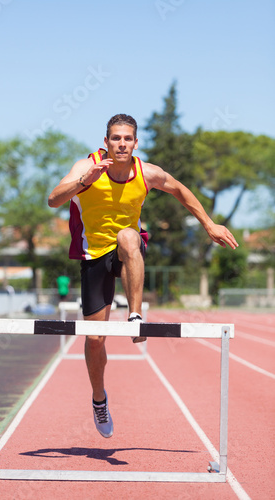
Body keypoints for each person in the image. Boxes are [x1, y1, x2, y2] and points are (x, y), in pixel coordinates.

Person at [48, 113, 238, 439]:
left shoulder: (146, 172)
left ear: (135, 143)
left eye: (127, 139)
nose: (121, 144)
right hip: (92, 256)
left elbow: (180, 190)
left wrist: (209, 224)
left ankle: (135, 316)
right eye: (115, 138)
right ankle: (98, 399)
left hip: (127, 251)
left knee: (128, 236)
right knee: (95, 340)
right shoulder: (87, 167)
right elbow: (53, 200)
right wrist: (85, 181)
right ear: (106, 142)